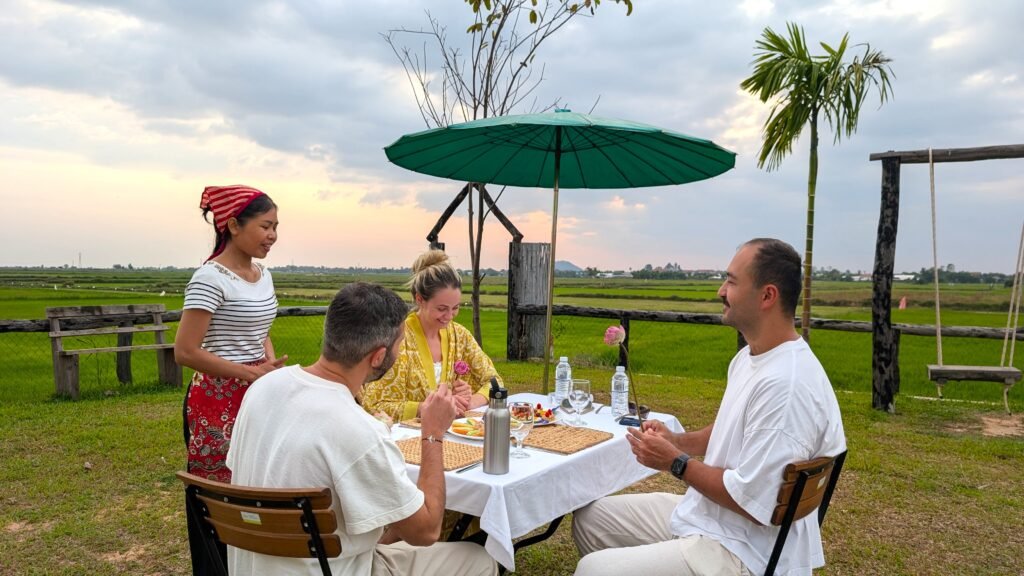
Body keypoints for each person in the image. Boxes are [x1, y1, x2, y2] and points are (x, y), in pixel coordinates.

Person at [571, 238, 846, 576]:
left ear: (767, 296)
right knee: (591, 519)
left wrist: (675, 462)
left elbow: (752, 503)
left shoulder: (785, 386)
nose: (720, 291)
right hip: (713, 518)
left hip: (744, 551)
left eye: (731, 281)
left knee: (593, 570)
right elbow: (733, 429)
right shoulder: (751, 357)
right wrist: (678, 441)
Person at [226, 282, 498, 576]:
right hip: (340, 569)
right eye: (400, 344)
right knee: (479, 558)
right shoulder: (359, 429)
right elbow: (427, 530)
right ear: (379, 356)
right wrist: (433, 434)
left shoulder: (263, 388)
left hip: (255, 567)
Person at [174, 184, 286, 575]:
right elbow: (185, 351)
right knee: (218, 499)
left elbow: (260, 331)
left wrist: (268, 364)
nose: (273, 235)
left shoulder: (263, 275)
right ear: (234, 225)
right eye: (265, 226)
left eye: (276, 227)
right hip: (216, 400)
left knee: (257, 487)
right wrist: (249, 373)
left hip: (258, 393)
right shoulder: (209, 278)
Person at [363, 249, 499, 423]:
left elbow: (494, 382)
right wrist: (427, 408)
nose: (449, 316)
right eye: (442, 309)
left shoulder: (460, 335)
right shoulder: (397, 339)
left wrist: (470, 401)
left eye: (455, 308)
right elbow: (374, 404)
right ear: (419, 299)